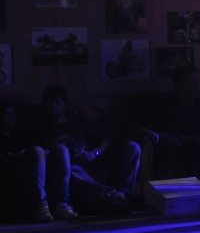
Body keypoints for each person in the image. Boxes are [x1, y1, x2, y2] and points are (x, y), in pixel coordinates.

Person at [34, 85, 140, 213]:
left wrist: (94, 153)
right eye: (49, 102)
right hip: (71, 167)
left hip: (92, 159)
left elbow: (104, 141)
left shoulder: (77, 122)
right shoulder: (41, 129)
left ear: (64, 104)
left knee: (132, 147)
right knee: (71, 171)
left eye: (57, 102)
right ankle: (113, 196)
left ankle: (123, 193)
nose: (53, 106)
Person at [0, 99, 77, 222]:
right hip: (14, 168)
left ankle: (62, 203)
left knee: (61, 149)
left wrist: (44, 152)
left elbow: (37, 146)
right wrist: (16, 155)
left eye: (13, 114)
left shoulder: (22, 133)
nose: (12, 118)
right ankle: (40, 206)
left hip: (36, 165)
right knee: (36, 151)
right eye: (7, 114)